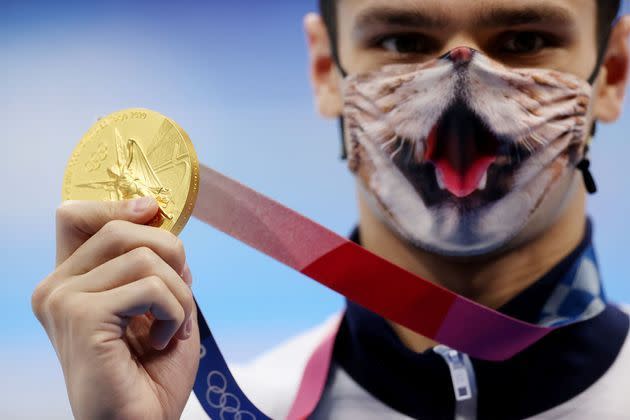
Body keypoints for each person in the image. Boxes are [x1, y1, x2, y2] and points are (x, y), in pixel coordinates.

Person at [32, 0, 630, 419]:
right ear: (325, 70)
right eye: (401, 41)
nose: (461, 85)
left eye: (525, 40)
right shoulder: (228, 406)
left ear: (613, 72)